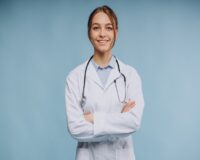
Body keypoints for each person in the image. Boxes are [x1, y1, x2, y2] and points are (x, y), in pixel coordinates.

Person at [65, 5, 144, 160]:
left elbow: (133, 122)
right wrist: (119, 118)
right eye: (96, 28)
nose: (102, 34)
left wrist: (92, 118)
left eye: (108, 28)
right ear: (89, 32)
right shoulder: (75, 77)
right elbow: (75, 128)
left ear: (116, 32)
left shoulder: (130, 75)